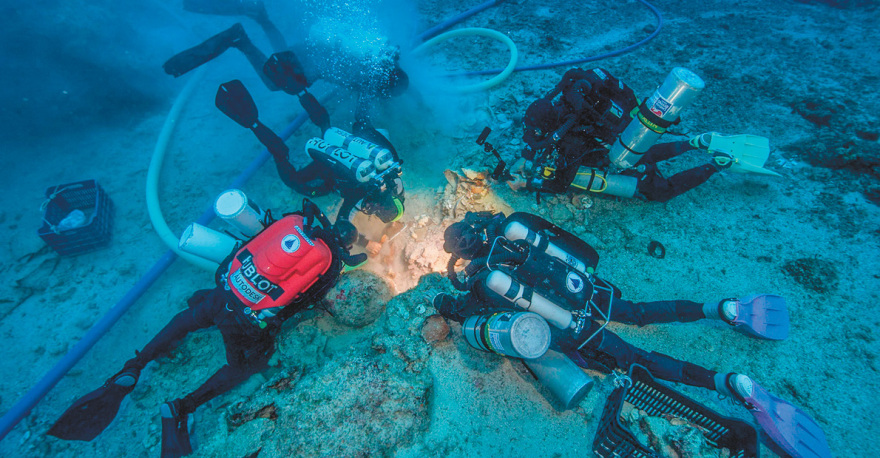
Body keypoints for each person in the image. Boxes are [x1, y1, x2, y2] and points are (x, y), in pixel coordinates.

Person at [433, 211, 831, 458]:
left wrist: (449, 306)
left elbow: (477, 319)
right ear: (478, 226)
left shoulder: (486, 280)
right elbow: (569, 244)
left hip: (580, 331)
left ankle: (728, 384)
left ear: (464, 254)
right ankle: (721, 309)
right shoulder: (514, 229)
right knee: (643, 313)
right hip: (594, 294)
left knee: (641, 360)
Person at [48, 199, 365, 457]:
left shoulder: (294, 223)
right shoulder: (329, 260)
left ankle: (133, 367)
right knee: (245, 365)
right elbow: (301, 301)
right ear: (344, 245)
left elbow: (246, 249)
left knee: (189, 318)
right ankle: (181, 408)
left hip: (221, 294)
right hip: (245, 323)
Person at [506, 67, 774, 202]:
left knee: (662, 193)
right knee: (641, 150)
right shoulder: (567, 101)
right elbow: (537, 132)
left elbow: (559, 185)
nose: (534, 135)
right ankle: (695, 143)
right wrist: (527, 155)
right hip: (629, 138)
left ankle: (716, 164)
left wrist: (526, 185)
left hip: (622, 153)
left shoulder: (571, 139)